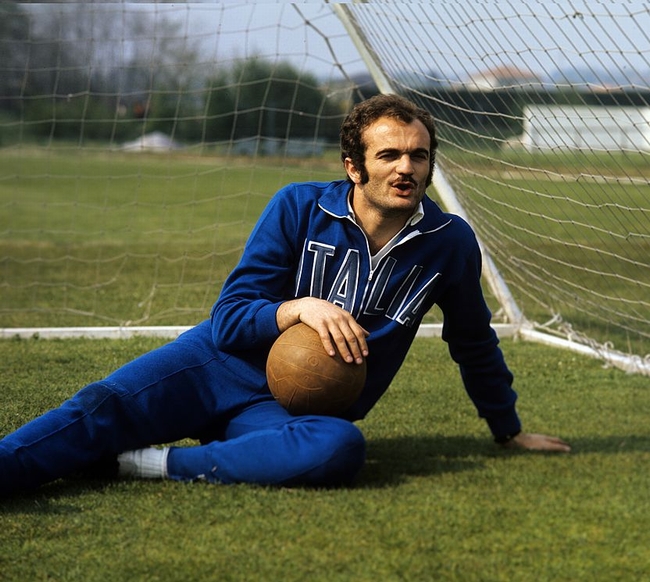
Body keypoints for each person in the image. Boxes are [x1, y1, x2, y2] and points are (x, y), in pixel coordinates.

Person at [0, 94, 569, 497]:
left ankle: (142, 465)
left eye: (418, 156)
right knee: (99, 408)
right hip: (214, 366)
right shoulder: (299, 206)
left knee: (337, 449)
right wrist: (298, 308)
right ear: (353, 167)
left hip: (295, 407)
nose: (406, 169)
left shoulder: (449, 242)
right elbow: (229, 318)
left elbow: (472, 341)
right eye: (389, 155)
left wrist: (508, 429)